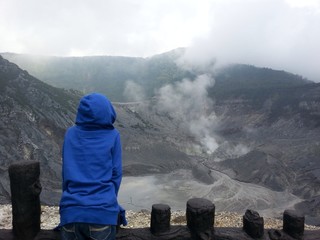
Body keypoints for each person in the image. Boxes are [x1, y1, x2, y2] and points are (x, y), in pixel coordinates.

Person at [58, 93, 126, 240]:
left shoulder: (70, 134)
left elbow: (66, 174)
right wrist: (108, 201)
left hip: (70, 213)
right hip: (101, 214)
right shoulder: (113, 135)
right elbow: (116, 174)